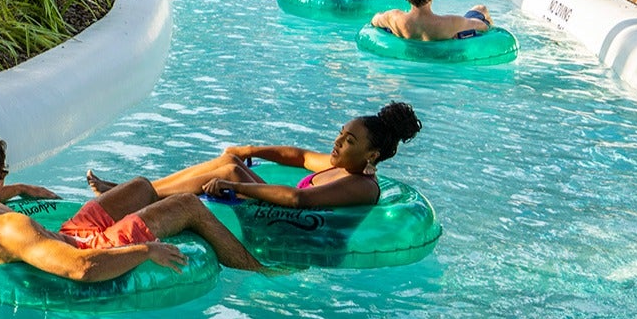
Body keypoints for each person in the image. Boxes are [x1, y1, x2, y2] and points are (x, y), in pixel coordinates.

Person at [0, 132, 266, 282]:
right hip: (91, 247)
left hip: (68, 233)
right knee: (187, 205)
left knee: (139, 186)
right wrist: (145, 252)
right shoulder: (14, 229)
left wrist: (22, 188)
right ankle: (259, 272)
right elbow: (81, 268)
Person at [86, 102, 423, 210]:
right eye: (340, 133)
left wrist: (240, 187)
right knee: (232, 162)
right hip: (280, 212)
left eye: (348, 140)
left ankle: (138, 195)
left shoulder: (362, 186)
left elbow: (296, 198)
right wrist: (250, 150)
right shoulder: (341, 164)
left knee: (232, 173)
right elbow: (302, 157)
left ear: (372, 155)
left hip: (292, 226)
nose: (337, 143)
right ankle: (138, 190)